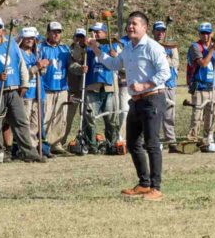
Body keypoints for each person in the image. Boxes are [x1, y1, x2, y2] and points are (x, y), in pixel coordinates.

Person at [86, 11, 170, 201]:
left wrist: (145, 85)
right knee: (132, 143)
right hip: (136, 102)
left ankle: (156, 188)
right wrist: (96, 49)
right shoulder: (129, 48)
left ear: (144, 27)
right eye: (129, 24)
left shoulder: (153, 47)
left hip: (153, 99)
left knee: (152, 144)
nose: (130, 27)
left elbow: (164, 73)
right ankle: (144, 183)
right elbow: (114, 64)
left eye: (134, 23)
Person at [0, 17, 44, 162]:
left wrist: (24, 83)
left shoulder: (11, 43)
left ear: (3, 28)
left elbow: (21, 64)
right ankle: (0, 152)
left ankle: (28, 152)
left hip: (13, 88)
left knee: (20, 121)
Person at [81, 22, 121, 155]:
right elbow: (76, 56)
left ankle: (111, 144)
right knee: (90, 118)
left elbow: (124, 65)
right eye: (93, 31)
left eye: (98, 32)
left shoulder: (113, 45)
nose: (95, 34)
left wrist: (116, 56)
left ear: (105, 32)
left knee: (111, 119)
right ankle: (91, 145)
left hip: (109, 87)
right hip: (93, 87)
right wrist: (83, 45)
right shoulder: (87, 46)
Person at [185, 22, 215, 147]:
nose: (205, 36)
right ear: (199, 34)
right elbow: (203, 63)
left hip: (213, 86)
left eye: (207, 33)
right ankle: (192, 139)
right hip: (200, 86)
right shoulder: (195, 47)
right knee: (197, 116)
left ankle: (208, 138)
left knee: (212, 115)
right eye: (203, 33)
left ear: (212, 33)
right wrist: (212, 50)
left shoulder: (214, 47)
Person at [39, 22, 71, 155]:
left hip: (62, 87)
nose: (56, 34)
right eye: (53, 31)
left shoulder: (65, 49)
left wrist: (80, 69)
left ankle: (56, 144)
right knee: (46, 116)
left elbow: (70, 66)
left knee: (60, 117)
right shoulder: (41, 47)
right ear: (48, 33)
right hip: (46, 87)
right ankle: (43, 144)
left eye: (59, 32)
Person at [19, 27, 50, 153]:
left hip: (38, 93)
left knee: (36, 124)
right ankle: (27, 149)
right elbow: (23, 75)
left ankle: (32, 147)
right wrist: (36, 67)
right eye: (27, 38)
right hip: (26, 94)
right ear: (22, 39)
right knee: (25, 123)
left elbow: (41, 73)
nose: (30, 40)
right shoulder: (19, 54)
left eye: (32, 38)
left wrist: (43, 67)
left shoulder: (34, 55)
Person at [152, 21, 179, 151]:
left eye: (162, 30)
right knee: (154, 114)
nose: (160, 33)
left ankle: (171, 141)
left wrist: (165, 59)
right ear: (153, 32)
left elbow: (175, 63)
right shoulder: (148, 44)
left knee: (169, 115)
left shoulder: (171, 45)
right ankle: (153, 141)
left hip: (169, 84)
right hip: (154, 84)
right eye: (158, 30)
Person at [64, 28, 87, 145]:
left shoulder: (90, 50)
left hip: (86, 89)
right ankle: (60, 142)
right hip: (72, 90)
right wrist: (80, 69)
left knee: (86, 118)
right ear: (74, 38)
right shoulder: (69, 50)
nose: (79, 39)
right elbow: (72, 66)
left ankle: (85, 141)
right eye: (77, 37)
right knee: (67, 119)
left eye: (82, 37)